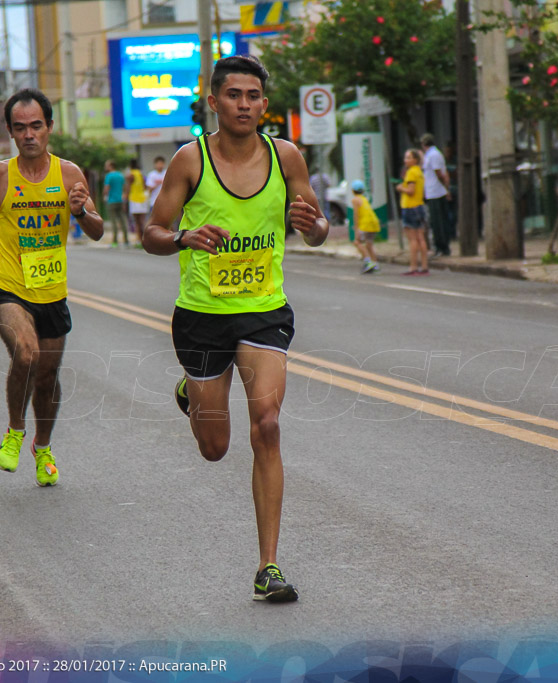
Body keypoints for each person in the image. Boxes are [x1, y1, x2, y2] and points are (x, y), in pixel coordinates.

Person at [141, 55, 328, 603]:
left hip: (264, 311)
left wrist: (313, 225)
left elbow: (316, 228)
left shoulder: (285, 156)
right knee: (214, 447)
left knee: (267, 424)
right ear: (213, 102)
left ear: (264, 105)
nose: (244, 104)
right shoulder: (188, 162)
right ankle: (192, 393)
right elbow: (152, 232)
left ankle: (268, 566)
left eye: (253, 96)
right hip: (202, 316)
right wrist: (182, 238)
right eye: (234, 95)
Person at [0, 88, 104, 486]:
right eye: (20, 128)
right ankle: (14, 430)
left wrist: (80, 211)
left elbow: (96, 230)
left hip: (52, 292)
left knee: (47, 377)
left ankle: (43, 447)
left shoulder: (70, 174)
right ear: (10, 131)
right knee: (26, 353)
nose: (29, 135)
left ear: (49, 127)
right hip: (9, 286)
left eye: (36, 126)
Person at [396, 148, 428, 276]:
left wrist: (400, 188)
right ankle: (424, 266)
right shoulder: (419, 171)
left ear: (415, 160)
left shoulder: (411, 173)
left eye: (408, 157)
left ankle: (413, 266)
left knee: (413, 239)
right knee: (421, 238)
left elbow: (410, 190)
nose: (406, 160)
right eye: (405, 157)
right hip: (419, 206)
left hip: (410, 207)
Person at [421, 133, 452, 256]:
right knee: (437, 222)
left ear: (424, 144)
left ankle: (442, 247)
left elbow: (439, 173)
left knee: (438, 222)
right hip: (433, 192)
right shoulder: (432, 154)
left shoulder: (433, 155)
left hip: (436, 192)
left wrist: (445, 188)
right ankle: (440, 246)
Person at [351, 179, 380, 273]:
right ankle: (375, 264)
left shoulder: (355, 200)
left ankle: (368, 261)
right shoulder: (364, 198)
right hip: (374, 222)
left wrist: (356, 229)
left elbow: (356, 214)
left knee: (357, 242)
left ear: (352, 190)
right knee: (369, 244)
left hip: (365, 224)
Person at [102, 159, 127, 246]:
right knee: (123, 220)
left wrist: (104, 196)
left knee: (114, 222)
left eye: (107, 165)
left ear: (111, 166)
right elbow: (124, 188)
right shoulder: (120, 175)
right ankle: (126, 240)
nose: (105, 167)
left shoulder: (109, 176)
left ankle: (115, 241)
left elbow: (106, 188)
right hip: (120, 200)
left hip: (111, 201)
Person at [124, 158, 148, 243]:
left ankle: (139, 239)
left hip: (134, 198)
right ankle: (146, 239)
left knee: (137, 221)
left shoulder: (130, 175)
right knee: (143, 220)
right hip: (143, 198)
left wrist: (125, 197)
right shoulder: (141, 174)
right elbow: (145, 186)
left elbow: (128, 187)